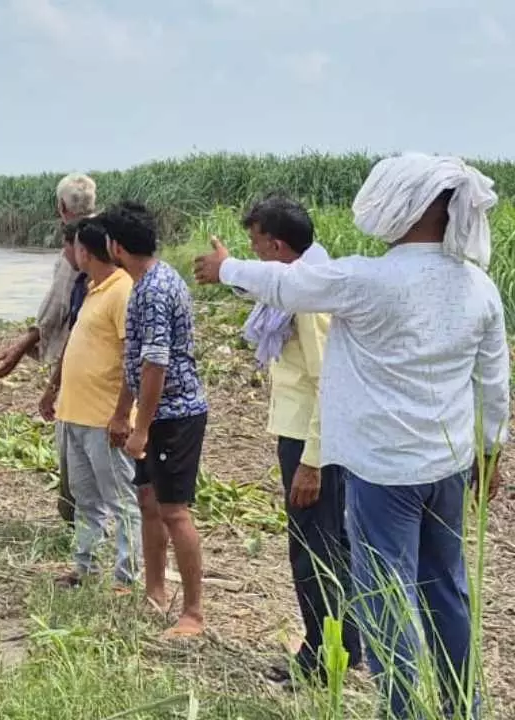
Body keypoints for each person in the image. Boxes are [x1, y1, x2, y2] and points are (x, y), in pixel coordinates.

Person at [193, 153, 508, 719]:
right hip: (449, 466)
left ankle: (403, 710)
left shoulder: (370, 279)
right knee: (446, 591)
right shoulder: (477, 285)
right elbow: (492, 379)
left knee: (387, 600)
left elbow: (289, 284)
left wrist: (226, 268)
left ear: (403, 209)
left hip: (384, 473)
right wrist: (491, 451)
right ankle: (467, 707)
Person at [235, 195, 362, 686]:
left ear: (279, 245)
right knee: (325, 544)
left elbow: (328, 380)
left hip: (313, 441)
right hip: (305, 435)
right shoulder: (301, 285)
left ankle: (322, 656)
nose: (255, 252)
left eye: (257, 244)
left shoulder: (309, 302)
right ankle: (341, 647)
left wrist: (312, 460)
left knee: (316, 550)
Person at [100, 201, 209, 638]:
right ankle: (155, 590)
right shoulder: (141, 283)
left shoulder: (155, 289)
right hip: (152, 411)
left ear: (117, 246)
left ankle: (194, 613)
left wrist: (141, 426)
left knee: (173, 511)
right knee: (148, 501)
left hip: (174, 414)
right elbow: (136, 358)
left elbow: (156, 365)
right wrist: (122, 412)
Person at [0, 172, 98, 525]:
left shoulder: (78, 251)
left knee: (74, 444)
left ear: (60, 207)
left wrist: (29, 350)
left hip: (83, 363)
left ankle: (78, 526)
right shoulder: (104, 239)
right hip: (97, 361)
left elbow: (61, 310)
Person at [48, 218, 141, 589]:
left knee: (121, 502)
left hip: (105, 419)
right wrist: (52, 391)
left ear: (85, 251)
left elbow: (133, 358)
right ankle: (85, 568)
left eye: (73, 247)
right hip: (74, 415)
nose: (69, 253)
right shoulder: (92, 289)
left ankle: (126, 577)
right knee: (86, 500)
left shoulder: (122, 291)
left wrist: (122, 414)